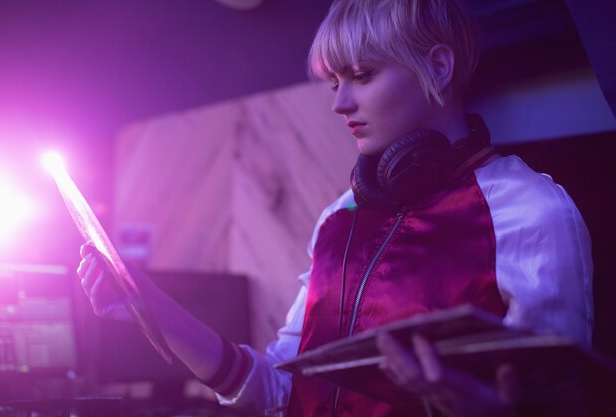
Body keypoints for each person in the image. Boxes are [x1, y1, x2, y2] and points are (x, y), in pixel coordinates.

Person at [78, 0, 593, 416]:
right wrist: (147, 302)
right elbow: (278, 390)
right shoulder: (336, 219)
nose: (339, 103)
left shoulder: (531, 211)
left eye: (362, 75)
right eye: (333, 82)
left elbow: (564, 403)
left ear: (438, 66)